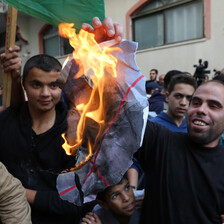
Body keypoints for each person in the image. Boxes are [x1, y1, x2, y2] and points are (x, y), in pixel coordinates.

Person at [0, 17, 123, 224]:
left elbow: (74, 202)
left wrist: (11, 191)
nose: (45, 93)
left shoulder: (75, 132)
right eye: (36, 85)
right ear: (24, 85)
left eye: (54, 85)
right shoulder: (6, 122)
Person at [135, 79, 224, 223]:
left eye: (213, 106)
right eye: (196, 103)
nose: (201, 109)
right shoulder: (160, 141)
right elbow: (120, 113)